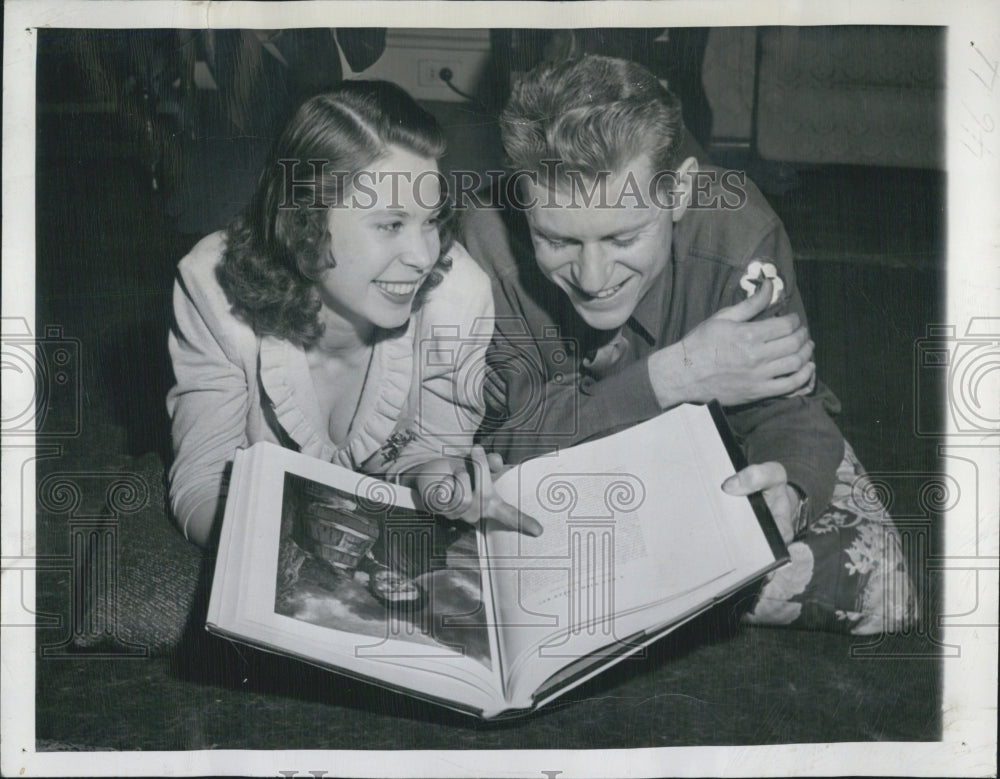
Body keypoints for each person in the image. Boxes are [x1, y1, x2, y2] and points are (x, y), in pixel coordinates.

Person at [459, 55, 914, 634]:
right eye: (556, 240)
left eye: (624, 236)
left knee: (885, 589)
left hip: (705, 452)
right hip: (565, 466)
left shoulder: (740, 236)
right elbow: (510, 444)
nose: (593, 278)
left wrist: (789, 490)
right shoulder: (484, 243)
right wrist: (675, 374)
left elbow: (789, 408)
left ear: (679, 192)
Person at [166, 79, 540, 549]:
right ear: (304, 220)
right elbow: (202, 481)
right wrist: (263, 562)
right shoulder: (211, 286)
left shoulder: (458, 297)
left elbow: (429, 454)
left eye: (430, 222)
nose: (423, 257)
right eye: (390, 224)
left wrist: (440, 482)